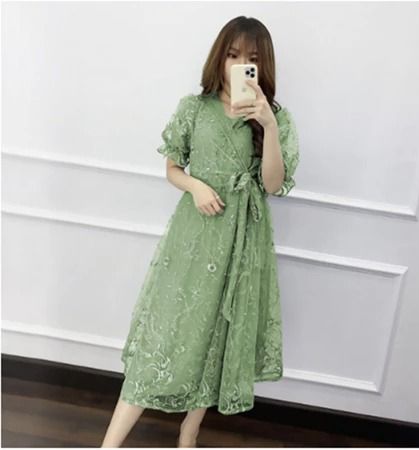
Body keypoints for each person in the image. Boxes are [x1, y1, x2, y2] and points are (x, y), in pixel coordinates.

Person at [101, 15, 299, 448]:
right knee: (165, 332)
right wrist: (195, 186)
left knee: (218, 337)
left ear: (263, 65)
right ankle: (109, 444)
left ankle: (188, 432)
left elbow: (271, 185)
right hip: (195, 237)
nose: (240, 65)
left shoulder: (275, 119)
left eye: (251, 58)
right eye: (233, 55)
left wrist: (267, 124)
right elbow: (173, 167)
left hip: (243, 241)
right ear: (219, 57)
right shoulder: (194, 108)